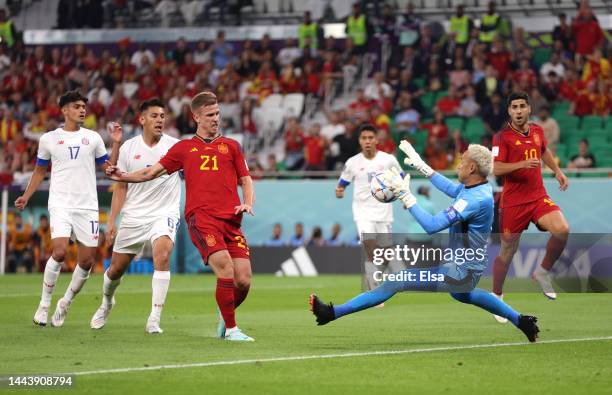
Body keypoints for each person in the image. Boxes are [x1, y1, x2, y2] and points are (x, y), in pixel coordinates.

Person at [310, 142, 540, 343]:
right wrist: (422, 166)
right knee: (464, 294)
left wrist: (406, 197)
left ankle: (331, 313)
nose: (458, 165)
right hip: (465, 267)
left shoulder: (473, 200)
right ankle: (522, 321)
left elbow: (431, 225)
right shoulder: (478, 187)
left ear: (472, 168)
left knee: (397, 281)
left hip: (460, 271)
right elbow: (451, 188)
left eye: (462, 161)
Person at [105, 91, 255, 341]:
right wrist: (122, 176)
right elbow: (150, 173)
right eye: (209, 115)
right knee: (225, 269)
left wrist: (247, 203)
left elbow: (246, 180)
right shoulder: (183, 148)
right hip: (203, 219)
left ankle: (225, 314)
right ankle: (231, 330)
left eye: (217, 114)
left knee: (244, 280)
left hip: (231, 221)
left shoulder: (231, 146)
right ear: (196, 117)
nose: (215, 119)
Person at [15, 90, 122, 327]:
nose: (82, 110)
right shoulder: (49, 139)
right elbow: (40, 171)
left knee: (86, 262)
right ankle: (44, 306)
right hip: (61, 202)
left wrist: (115, 144)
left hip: (87, 206)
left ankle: (65, 303)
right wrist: (26, 196)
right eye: (76, 106)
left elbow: (109, 168)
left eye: (83, 106)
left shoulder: (93, 138)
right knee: (60, 251)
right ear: (64, 110)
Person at [90, 99, 181, 333]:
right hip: (134, 215)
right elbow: (120, 187)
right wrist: (112, 221)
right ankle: (106, 302)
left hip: (164, 212)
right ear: (142, 119)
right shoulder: (129, 148)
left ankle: (154, 318)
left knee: (162, 254)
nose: (160, 119)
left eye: (162, 115)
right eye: (154, 115)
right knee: (115, 270)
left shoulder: (176, 146)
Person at [491, 92, 570, 321]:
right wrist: (522, 163)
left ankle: (543, 271)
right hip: (513, 202)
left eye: (522, 106)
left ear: (528, 109)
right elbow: (496, 169)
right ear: (509, 111)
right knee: (508, 251)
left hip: (537, 197)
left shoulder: (537, 130)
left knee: (562, 229)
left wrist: (557, 171)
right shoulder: (501, 137)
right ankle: (497, 295)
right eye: (514, 107)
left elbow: (543, 149)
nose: (518, 111)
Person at [336, 124, 403, 291]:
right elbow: (342, 184)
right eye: (364, 138)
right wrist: (339, 191)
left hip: (384, 212)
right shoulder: (352, 162)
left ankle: (377, 278)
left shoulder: (388, 160)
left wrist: (404, 199)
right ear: (359, 141)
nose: (367, 141)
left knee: (386, 254)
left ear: (377, 140)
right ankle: (373, 289)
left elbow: (402, 180)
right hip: (362, 212)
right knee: (370, 247)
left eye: (370, 138)